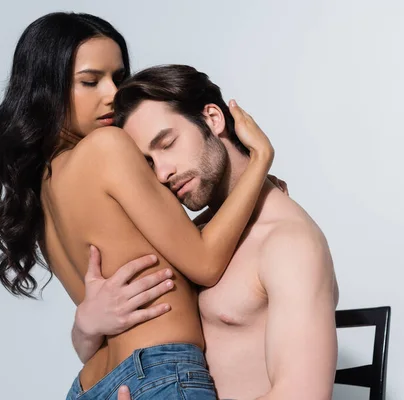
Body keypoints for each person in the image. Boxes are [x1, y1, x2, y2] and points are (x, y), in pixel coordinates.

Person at [0, 12, 274, 399]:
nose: (112, 95)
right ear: (46, 88)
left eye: (119, 78)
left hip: (92, 386)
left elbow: (162, 249)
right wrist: (259, 163)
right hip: (160, 375)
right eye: (90, 81)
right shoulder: (107, 149)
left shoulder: (41, 192)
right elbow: (205, 264)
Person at [76, 65, 340, 400]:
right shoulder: (196, 240)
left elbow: (304, 395)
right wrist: (88, 325)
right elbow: (111, 349)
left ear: (213, 119)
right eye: (149, 163)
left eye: (167, 143)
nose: (162, 174)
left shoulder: (289, 243)